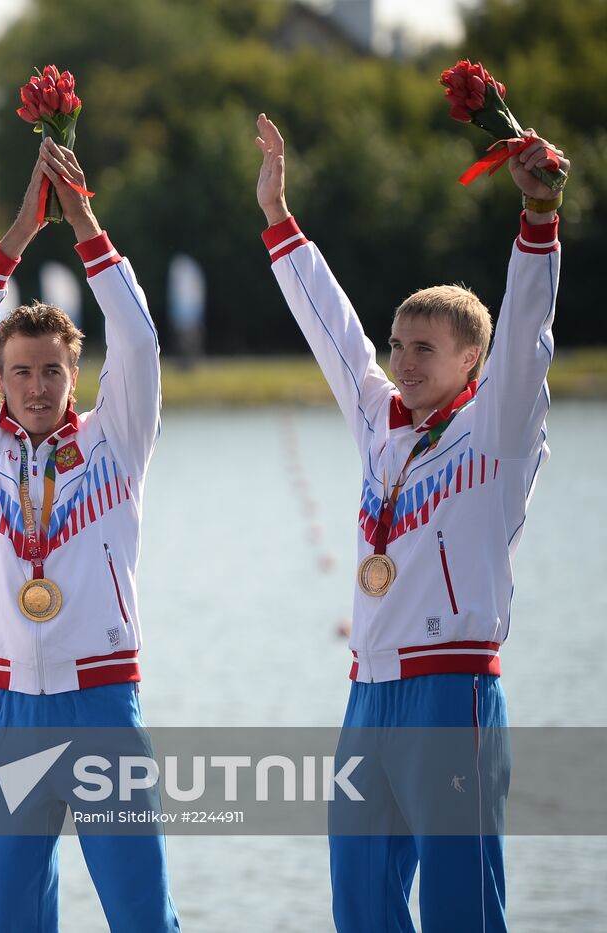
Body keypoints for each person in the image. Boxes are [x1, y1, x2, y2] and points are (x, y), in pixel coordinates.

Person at [253, 113, 567, 932]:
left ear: (471, 361)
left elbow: (529, 335)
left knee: (460, 906)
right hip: (369, 689)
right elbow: (332, 328)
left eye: (424, 347)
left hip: (451, 687)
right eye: (399, 344)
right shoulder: (380, 422)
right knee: (360, 903)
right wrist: (278, 216)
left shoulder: (495, 431)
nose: (402, 359)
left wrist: (537, 219)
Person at [0, 138, 180, 932]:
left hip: (100, 696)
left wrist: (82, 222)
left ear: (78, 375)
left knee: (142, 913)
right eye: (22, 372)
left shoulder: (116, 438)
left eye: (53, 372)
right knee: (15, 918)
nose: (38, 387)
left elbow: (137, 339)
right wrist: (18, 234)